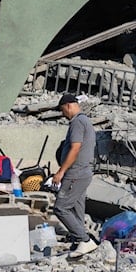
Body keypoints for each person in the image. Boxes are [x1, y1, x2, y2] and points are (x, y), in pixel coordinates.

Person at [53, 93, 98, 259]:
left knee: (61, 207)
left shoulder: (77, 122)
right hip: (82, 172)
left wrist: (61, 171)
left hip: (75, 173)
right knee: (77, 210)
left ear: (69, 105)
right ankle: (80, 242)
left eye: (62, 110)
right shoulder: (85, 121)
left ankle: (85, 240)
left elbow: (75, 148)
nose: (62, 114)